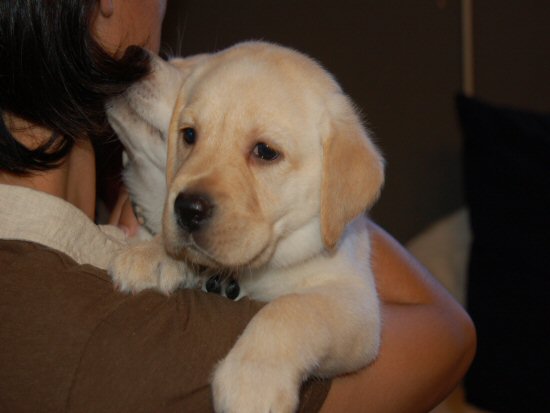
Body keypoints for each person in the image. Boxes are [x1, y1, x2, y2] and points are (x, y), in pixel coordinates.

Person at [0, 1, 476, 412]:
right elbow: (448, 337)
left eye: (264, 152)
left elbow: (360, 311)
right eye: (190, 136)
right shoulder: (101, 340)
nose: (193, 189)